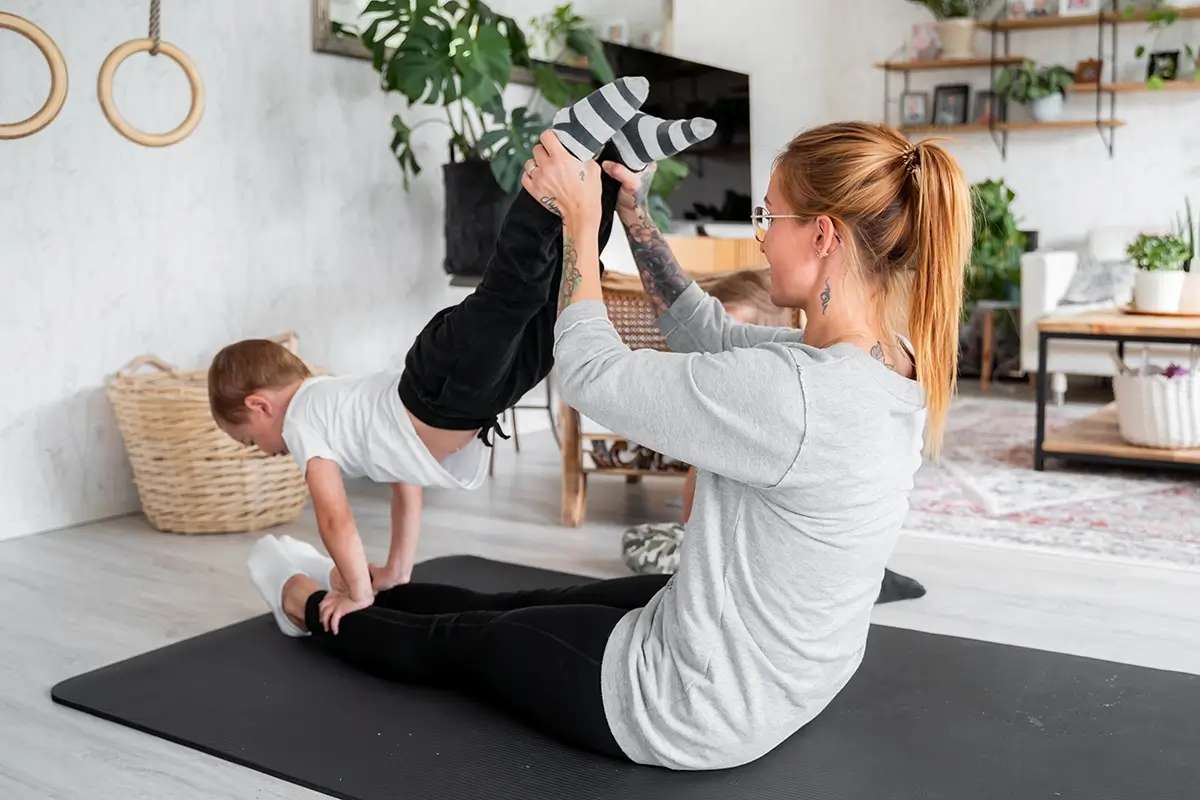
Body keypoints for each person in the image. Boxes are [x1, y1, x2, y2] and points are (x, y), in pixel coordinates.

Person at [248, 120, 972, 771]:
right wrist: (635, 219)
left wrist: (579, 220)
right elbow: (712, 335)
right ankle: (380, 590)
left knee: (462, 643)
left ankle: (309, 606)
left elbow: (591, 376)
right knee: (525, 602)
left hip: (691, 707)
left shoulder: (798, 395)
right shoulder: (887, 361)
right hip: (782, 674)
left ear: (822, 235)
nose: (760, 235)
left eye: (769, 215)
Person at [211, 76, 718, 630]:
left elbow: (333, 517)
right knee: (562, 304)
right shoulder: (335, 408)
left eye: (246, 439)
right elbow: (403, 478)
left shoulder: (305, 420)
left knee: (515, 291)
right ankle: (617, 162)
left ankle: (562, 154)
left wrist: (355, 589)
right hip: (471, 401)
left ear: (260, 405)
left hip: (442, 387)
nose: (258, 451)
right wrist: (398, 568)